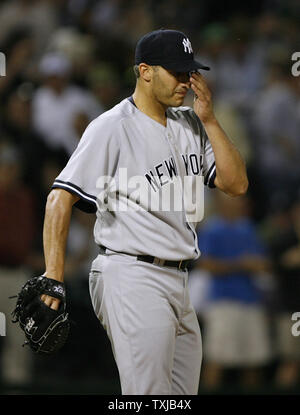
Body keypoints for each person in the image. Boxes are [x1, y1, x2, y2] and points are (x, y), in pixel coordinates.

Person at [40, 29, 248, 395]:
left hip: (178, 280)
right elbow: (60, 198)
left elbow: (236, 185)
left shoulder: (192, 124)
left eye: (189, 72)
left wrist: (211, 120)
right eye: (176, 72)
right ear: (145, 71)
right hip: (131, 274)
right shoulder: (111, 126)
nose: (186, 81)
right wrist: (53, 275)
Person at [196, 193, 272, 390]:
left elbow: (264, 262)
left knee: (254, 360)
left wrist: (258, 265)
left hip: (251, 300)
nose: (240, 204)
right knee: (217, 358)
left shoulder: (249, 228)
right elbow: (205, 264)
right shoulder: (213, 229)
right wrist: (240, 264)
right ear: (223, 204)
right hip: (223, 302)